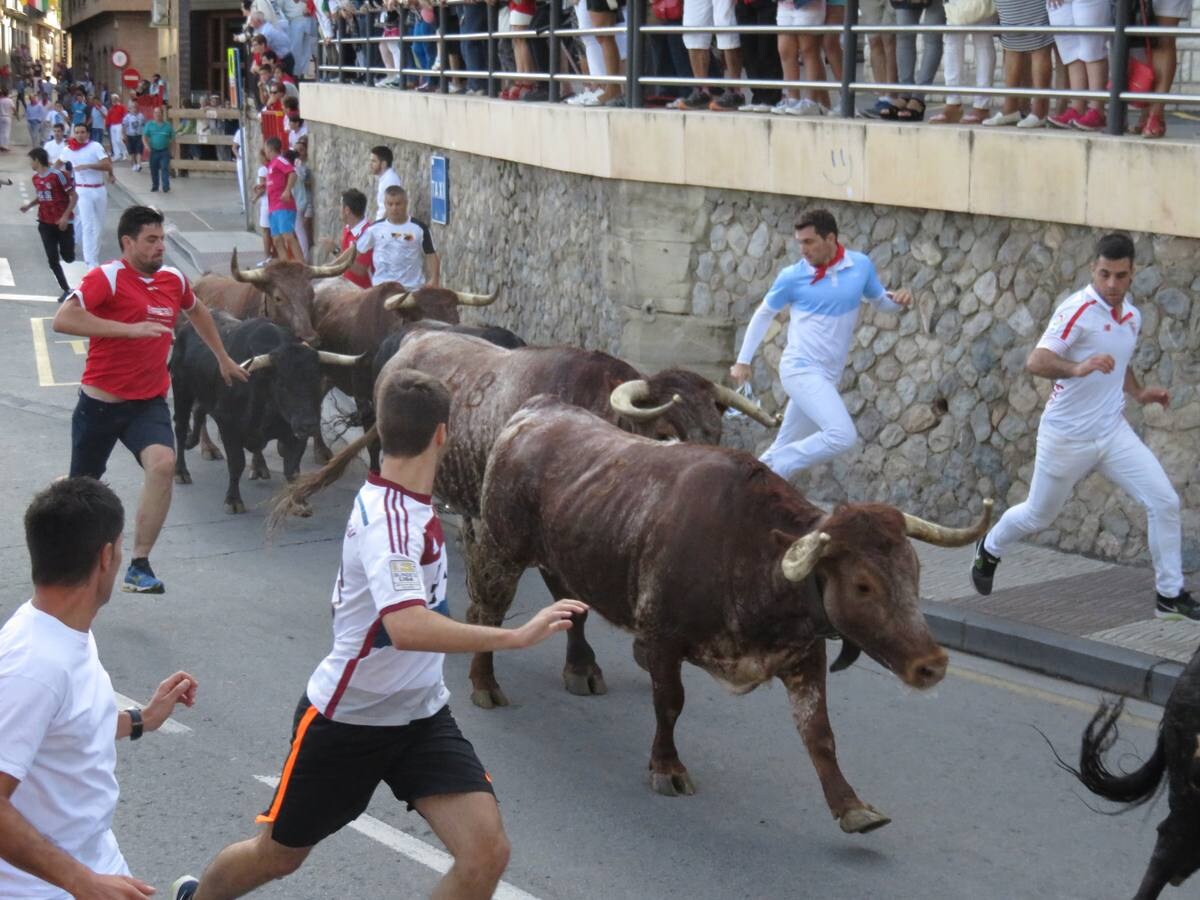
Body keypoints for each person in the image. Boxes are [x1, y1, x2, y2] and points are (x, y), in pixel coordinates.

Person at [169, 368, 587, 900]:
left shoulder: (410, 503)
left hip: (419, 716)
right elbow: (406, 627)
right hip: (347, 723)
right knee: (274, 856)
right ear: (442, 433)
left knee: (486, 854)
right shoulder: (390, 522)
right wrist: (514, 637)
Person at [971, 233, 1197, 621]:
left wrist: (1140, 394)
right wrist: (1078, 367)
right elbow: (1037, 361)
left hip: (1112, 432)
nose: (1111, 284)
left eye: (1120, 276)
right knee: (1038, 515)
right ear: (1093, 269)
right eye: (1105, 274)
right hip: (1066, 437)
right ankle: (989, 548)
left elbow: (1121, 362)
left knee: (1164, 501)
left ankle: (1168, 594)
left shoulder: (1132, 316)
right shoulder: (1076, 309)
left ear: (1132, 275)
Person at [0, 477, 199, 898]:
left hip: (98, 865)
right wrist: (79, 880)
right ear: (106, 556)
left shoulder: (68, 632)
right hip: (45, 889)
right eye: (122, 546)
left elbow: (64, 732)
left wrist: (142, 719)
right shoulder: (33, 666)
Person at [51, 206, 249, 593]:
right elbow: (64, 319)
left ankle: (139, 564)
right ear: (128, 243)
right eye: (151, 240)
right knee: (82, 491)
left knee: (163, 465)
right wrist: (126, 330)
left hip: (148, 402)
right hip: (100, 404)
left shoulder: (173, 279)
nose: (161, 247)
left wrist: (222, 357)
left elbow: (198, 312)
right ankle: (68, 562)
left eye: (163, 239)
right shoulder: (106, 277)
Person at [730, 208, 913, 480]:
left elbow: (880, 301)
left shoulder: (860, 266)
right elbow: (764, 314)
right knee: (842, 435)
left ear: (831, 239)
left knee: (782, 445)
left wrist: (899, 302)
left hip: (828, 376)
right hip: (800, 369)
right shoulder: (792, 276)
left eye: (809, 242)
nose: (802, 250)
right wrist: (743, 360)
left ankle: (744, 485)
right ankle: (779, 465)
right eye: (799, 242)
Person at [19, 147, 77, 302]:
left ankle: (69, 251)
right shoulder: (35, 178)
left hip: (62, 223)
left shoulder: (58, 175)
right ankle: (66, 289)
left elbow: (73, 196)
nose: (30, 163)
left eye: (31, 160)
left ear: (37, 160)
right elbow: (41, 196)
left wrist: (65, 217)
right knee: (52, 259)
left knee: (68, 256)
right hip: (45, 223)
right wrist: (29, 205)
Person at [357, 185, 440, 290]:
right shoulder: (374, 229)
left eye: (398, 204)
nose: (394, 208)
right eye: (390, 204)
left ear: (406, 203)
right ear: (385, 205)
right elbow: (355, 251)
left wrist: (434, 279)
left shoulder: (419, 229)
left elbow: (431, 254)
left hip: (411, 291)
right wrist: (337, 264)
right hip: (381, 291)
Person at [58, 123, 112, 269]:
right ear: (74, 134)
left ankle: (93, 254)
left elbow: (107, 165)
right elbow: (57, 165)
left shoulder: (95, 147)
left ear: (88, 133)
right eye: (77, 132)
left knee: (99, 226)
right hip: (82, 191)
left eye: (83, 132)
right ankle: (90, 261)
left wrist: (88, 166)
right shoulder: (68, 149)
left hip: (99, 189)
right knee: (88, 225)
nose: (80, 135)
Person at [319, 188, 373, 288]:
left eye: (341, 206)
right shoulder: (348, 228)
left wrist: (335, 250)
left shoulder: (367, 233)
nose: (339, 209)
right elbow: (345, 258)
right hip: (348, 287)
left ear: (347, 210)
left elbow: (360, 270)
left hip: (363, 293)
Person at [264, 136, 304, 262]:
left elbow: (292, 173)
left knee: (288, 236)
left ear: (269, 149)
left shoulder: (280, 160)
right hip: (273, 207)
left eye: (265, 148)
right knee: (276, 239)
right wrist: (261, 186)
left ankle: (302, 266)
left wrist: (287, 191)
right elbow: (274, 182)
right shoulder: (272, 164)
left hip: (283, 206)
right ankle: (286, 268)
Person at [143, 105, 176, 193]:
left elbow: (173, 139)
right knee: (153, 169)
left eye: (159, 113)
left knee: (164, 167)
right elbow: (144, 136)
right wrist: (146, 146)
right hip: (153, 150)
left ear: (162, 114)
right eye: (155, 113)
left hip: (164, 151)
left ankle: (166, 186)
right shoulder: (149, 124)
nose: (157, 114)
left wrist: (173, 151)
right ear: (153, 114)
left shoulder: (168, 126)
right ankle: (155, 186)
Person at [369, 144, 402, 222]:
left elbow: (391, 207)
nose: (370, 164)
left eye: (374, 161)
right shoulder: (385, 178)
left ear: (383, 164)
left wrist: (381, 226)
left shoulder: (390, 179)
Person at [122, 101, 145, 172]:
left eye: (136, 107)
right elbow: (124, 127)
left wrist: (144, 134)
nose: (134, 109)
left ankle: (139, 164)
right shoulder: (127, 117)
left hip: (138, 136)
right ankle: (134, 164)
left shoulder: (141, 116)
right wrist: (124, 135)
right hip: (130, 136)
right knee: (132, 152)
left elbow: (144, 125)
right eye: (133, 108)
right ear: (129, 109)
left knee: (139, 151)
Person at [106, 95, 128, 161]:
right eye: (112, 99)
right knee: (114, 141)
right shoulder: (111, 108)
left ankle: (124, 152)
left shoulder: (121, 107)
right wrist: (107, 124)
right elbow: (108, 117)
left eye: (115, 99)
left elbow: (125, 115)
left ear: (118, 99)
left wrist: (124, 124)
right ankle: (117, 154)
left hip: (119, 125)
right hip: (112, 126)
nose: (113, 100)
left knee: (118, 140)